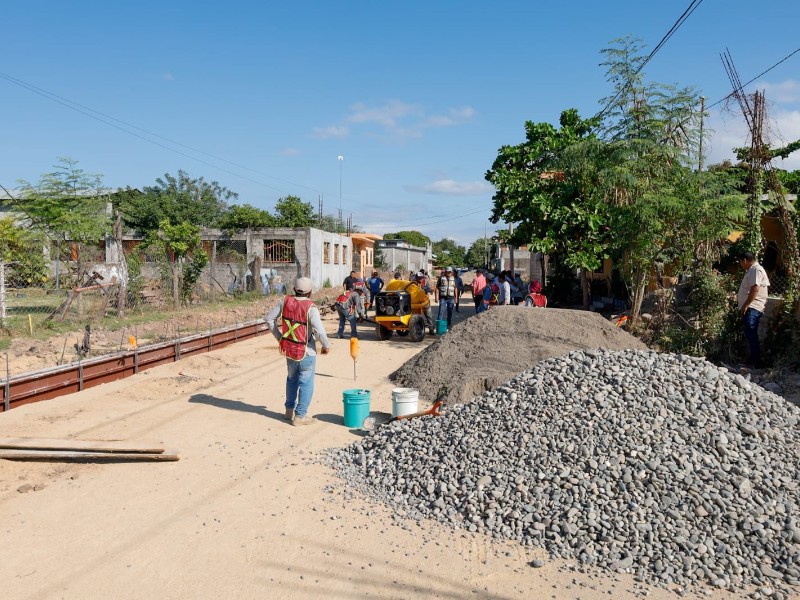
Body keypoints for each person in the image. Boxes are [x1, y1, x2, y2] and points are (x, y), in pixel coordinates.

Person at [265, 277, 331, 426]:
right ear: (310, 292)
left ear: (294, 289)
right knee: (306, 383)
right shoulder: (311, 308)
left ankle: (289, 412)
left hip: (289, 350)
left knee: (291, 379)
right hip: (306, 351)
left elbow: (269, 319)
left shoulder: (285, 301)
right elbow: (319, 331)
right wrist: (326, 346)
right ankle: (300, 416)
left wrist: (280, 338)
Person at [737, 251, 770, 367]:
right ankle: (753, 359)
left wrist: (746, 305)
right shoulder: (753, 270)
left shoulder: (755, 270)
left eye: (741, 262)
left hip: (753, 307)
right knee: (750, 333)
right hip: (752, 307)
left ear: (744, 260)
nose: (741, 265)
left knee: (751, 332)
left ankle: (756, 361)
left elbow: (755, 289)